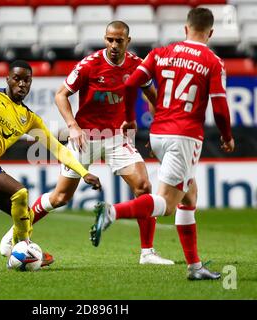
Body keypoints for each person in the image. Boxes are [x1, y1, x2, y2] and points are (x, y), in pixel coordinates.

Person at [1, 21, 174, 265]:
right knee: (60, 197)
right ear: (105, 39)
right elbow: (61, 94)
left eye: (119, 41)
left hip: (117, 137)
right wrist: (72, 126)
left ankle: (147, 252)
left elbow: (153, 97)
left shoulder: (137, 65)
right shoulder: (89, 65)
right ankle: (15, 233)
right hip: (85, 136)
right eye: (110, 40)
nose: (114, 45)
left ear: (128, 41)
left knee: (143, 186)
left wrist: (158, 127)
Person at [91, 8, 235, 280]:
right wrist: (226, 136)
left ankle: (195, 267)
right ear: (211, 33)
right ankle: (112, 212)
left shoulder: (161, 52)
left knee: (189, 196)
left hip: (158, 133)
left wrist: (131, 119)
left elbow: (130, 84)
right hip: (185, 136)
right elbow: (219, 106)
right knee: (167, 205)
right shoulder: (213, 61)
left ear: (185, 28)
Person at [0, 60, 102, 268]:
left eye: (27, 80)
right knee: (20, 192)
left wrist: (83, 172)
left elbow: (58, 149)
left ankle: (15, 251)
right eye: (17, 79)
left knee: (26, 215)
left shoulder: (28, 118)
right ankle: (24, 248)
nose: (22, 84)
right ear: (7, 80)